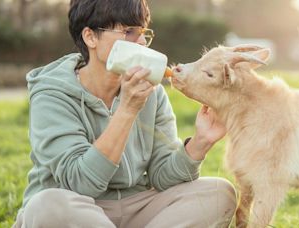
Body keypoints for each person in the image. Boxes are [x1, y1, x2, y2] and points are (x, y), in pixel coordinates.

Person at [12, 0, 236, 227]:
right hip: (78, 209)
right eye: (128, 32)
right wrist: (127, 110)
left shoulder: (152, 91)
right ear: (90, 37)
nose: (140, 42)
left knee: (219, 194)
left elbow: (162, 176)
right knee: (47, 206)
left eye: (142, 32)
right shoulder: (52, 94)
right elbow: (80, 183)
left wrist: (200, 142)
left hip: (137, 206)